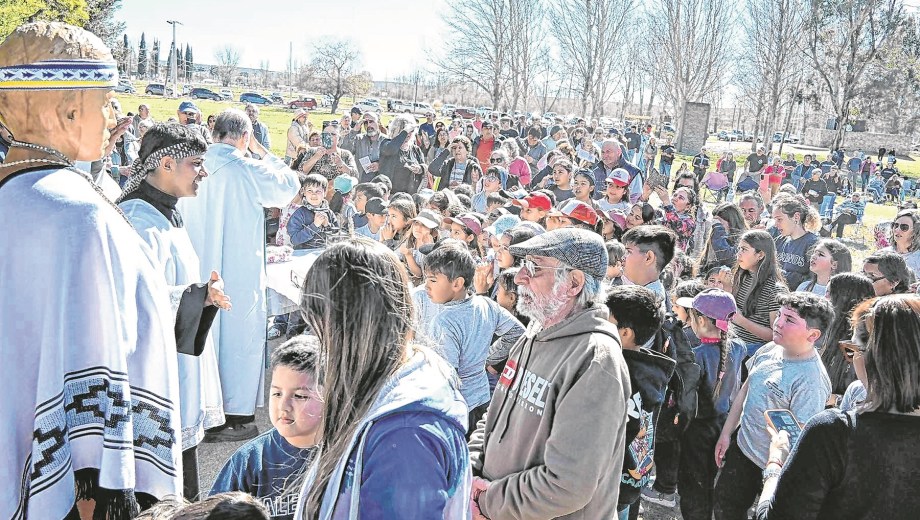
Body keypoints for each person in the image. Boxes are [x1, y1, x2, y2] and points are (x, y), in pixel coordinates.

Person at [0, 21, 183, 517]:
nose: (112, 116)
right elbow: (91, 369)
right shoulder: (78, 214)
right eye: (105, 101)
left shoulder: (15, 196)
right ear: (68, 110)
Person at [293, 239, 471, 518]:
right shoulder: (385, 397)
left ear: (350, 328)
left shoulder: (406, 437)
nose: (318, 343)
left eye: (319, 328)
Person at [468, 228, 630, 519]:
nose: (519, 277)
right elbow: (494, 418)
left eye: (534, 267)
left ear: (574, 283)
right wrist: (469, 471)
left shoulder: (595, 361)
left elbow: (567, 485)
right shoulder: (535, 333)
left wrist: (486, 501)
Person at [117, 123, 230, 499]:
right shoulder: (138, 219)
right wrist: (199, 296)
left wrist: (201, 296)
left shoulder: (167, 213)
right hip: (150, 378)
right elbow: (132, 303)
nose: (204, 172)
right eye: (196, 163)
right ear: (166, 163)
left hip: (176, 366)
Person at [178, 108, 301, 440]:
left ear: (215, 133)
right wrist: (263, 152)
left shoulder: (192, 164)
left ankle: (197, 409)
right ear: (246, 137)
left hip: (197, 265)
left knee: (203, 333)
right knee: (237, 335)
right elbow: (288, 187)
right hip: (237, 267)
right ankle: (234, 415)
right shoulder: (247, 167)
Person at [755, 294, 920, 520]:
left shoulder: (834, 432)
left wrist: (775, 465)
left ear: (873, 357)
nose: (850, 360)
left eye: (851, 350)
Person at [714, 293, 834, 519]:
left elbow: (801, 437)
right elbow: (745, 390)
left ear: (813, 334)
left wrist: (775, 468)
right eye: (779, 315)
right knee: (725, 507)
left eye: (789, 320)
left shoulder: (811, 381)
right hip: (743, 450)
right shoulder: (769, 349)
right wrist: (727, 433)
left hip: (775, 468)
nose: (778, 322)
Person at [210, 337, 322, 519]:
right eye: (277, 393)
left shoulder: (349, 453)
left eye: (300, 396)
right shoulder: (249, 461)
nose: (283, 406)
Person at [424, 243, 525, 433]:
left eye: (432, 280)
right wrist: (486, 359)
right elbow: (517, 333)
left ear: (457, 283)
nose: (426, 286)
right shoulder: (486, 304)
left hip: (458, 407)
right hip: (482, 397)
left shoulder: (443, 322)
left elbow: (448, 378)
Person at [605, 285, 677, 520]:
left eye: (605, 320)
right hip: (632, 482)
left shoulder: (616, 373)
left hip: (610, 488)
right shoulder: (651, 369)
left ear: (625, 333)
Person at [675, 289, 747, 520]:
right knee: (711, 481)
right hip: (725, 425)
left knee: (694, 487)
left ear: (702, 320)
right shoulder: (739, 348)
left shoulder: (696, 357)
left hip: (697, 431)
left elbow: (684, 401)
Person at [819, 273, 876, 405]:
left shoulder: (858, 343)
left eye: (829, 293)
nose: (824, 298)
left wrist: (836, 400)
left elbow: (865, 392)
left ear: (844, 299)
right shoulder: (830, 331)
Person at [730, 230, 784, 355]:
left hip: (754, 352)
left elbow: (775, 335)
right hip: (734, 345)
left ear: (760, 255)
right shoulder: (743, 277)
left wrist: (741, 320)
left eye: (744, 249)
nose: (738, 254)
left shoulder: (775, 289)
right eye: (739, 249)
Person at [621, 225, 678, 310]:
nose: (622, 258)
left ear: (648, 258)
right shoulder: (644, 294)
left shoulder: (646, 304)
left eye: (628, 251)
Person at [773, 195, 821, 290]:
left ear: (796, 217)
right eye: (774, 220)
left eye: (779, 219)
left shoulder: (813, 244)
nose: (775, 224)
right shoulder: (779, 241)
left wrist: (780, 275)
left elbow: (812, 279)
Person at [286, 173, 340, 250]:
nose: (313, 195)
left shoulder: (329, 213)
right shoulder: (299, 214)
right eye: (310, 190)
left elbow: (337, 238)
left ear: (324, 193)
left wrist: (327, 225)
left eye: (318, 191)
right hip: (303, 255)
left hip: (324, 254)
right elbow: (294, 240)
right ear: (303, 192)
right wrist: (314, 226)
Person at [380, 114, 427, 194]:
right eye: (404, 131)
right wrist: (405, 131)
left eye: (411, 132)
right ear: (394, 130)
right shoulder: (386, 143)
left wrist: (419, 169)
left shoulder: (416, 150)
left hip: (410, 195)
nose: (408, 135)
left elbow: (424, 167)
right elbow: (391, 149)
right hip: (390, 194)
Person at [698, 202, 748, 273]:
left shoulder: (744, 240)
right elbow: (705, 263)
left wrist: (718, 227)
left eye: (719, 222)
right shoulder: (716, 235)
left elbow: (726, 257)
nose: (714, 224)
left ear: (731, 222)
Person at [340, 111, 386, 182]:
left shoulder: (386, 140)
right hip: (360, 182)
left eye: (371, 121)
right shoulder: (358, 139)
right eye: (365, 123)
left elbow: (392, 161)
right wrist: (354, 131)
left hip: (379, 183)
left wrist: (380, 165)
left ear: (378, 123)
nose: (369, 125)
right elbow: (345, 152)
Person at [656, 185, 698, 252]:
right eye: (675, 195)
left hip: (672, 259)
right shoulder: (661, 213)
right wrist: (645, 195)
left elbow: (677, 226)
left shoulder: (690, 223)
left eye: (681, 198)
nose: (675, 199)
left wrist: (667, 203)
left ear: (688, 206)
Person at [882, 208, 920, 278]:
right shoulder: (883, 254)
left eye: (904, 227)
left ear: (915, 231)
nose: (897, 230)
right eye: (895, 225)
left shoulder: (918, 259)